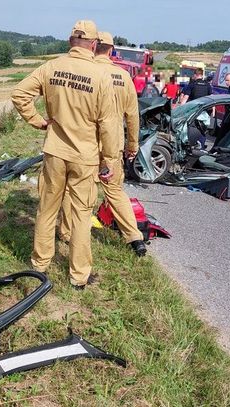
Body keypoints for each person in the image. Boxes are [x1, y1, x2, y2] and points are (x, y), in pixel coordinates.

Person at [11, 20, 120, 290]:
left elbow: (19, 94)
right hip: (85, 156)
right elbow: (108, 124)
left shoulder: (51, 67)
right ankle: (78, 276)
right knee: (82, 214)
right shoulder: (101, 76)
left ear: (71, 41)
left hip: (55, 152)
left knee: (47, 209)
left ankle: (40, 264)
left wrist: (38, 120)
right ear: (93, 45)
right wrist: (110, 160)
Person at [59, 31, 147, 257]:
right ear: (111, 49)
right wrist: (132, 145)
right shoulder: (122, 76)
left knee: (74, 190)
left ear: (92, 46)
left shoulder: (84, 72)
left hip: (84, 143)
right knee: (115, 191)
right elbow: (132, 116)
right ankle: (134, 238)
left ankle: (67, 233)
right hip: (112, 145)